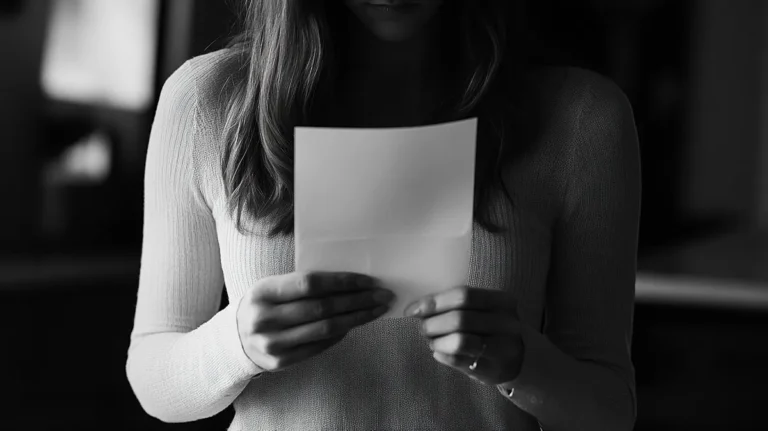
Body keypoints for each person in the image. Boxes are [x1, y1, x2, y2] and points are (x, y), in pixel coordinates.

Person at [125, 0, 640, 430]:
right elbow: (153, 378)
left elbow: (610, 407)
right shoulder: (206, 103)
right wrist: (235, 343)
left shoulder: (580, 120)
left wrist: (524, 364)